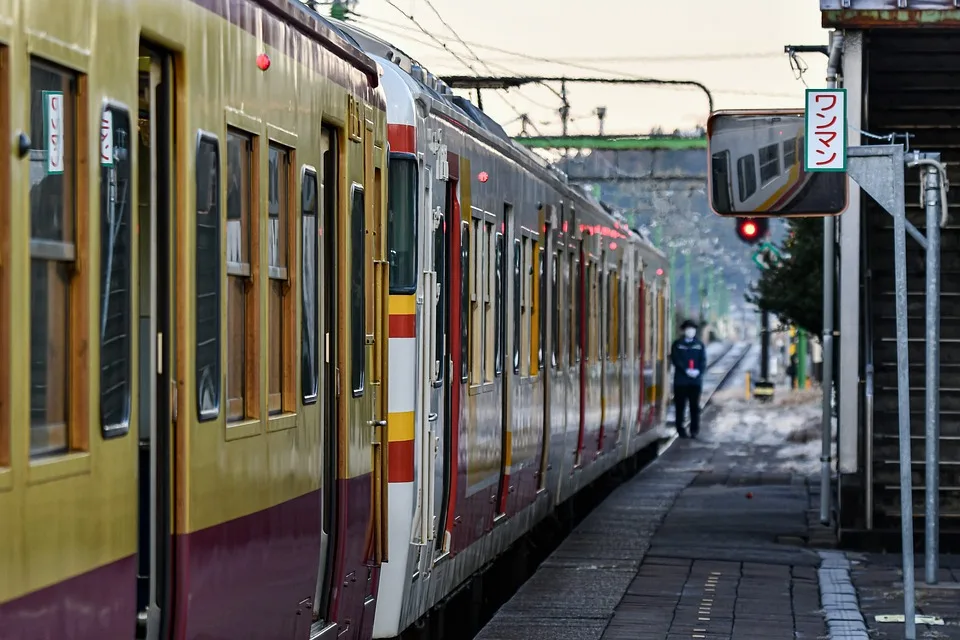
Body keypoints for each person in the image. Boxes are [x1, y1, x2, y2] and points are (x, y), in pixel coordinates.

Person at [671, 319, 706, 438]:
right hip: (680, 381)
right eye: (688, 329)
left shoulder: (699, 345)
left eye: (693, 329)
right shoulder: (677, 344)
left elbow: (703, 361)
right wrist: (686, 370)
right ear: (684, 330)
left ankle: (694, 430)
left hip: (695, 382)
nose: (691, 331)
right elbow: (676, 359)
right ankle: (680, 430)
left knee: (694, 407)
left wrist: (698, 371)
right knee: (680, 406)